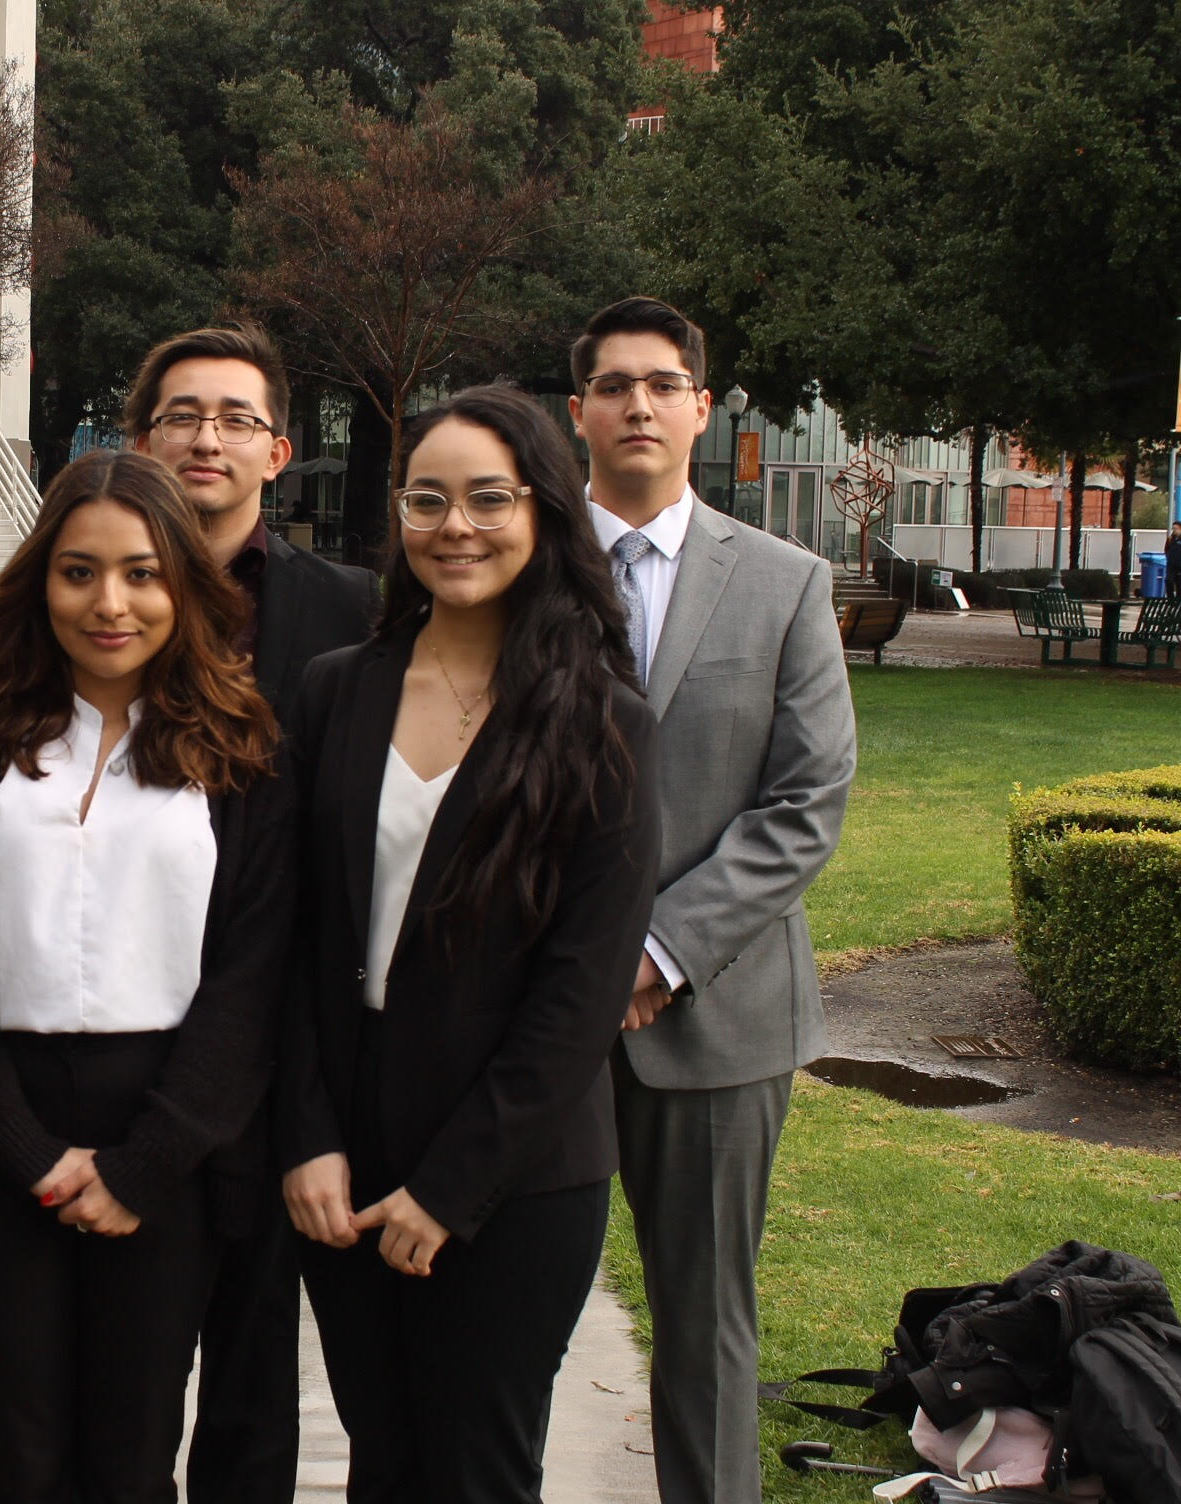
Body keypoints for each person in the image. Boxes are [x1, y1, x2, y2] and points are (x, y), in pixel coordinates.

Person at [279, 383, 662, 1502]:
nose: (457, 526)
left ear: (544, 510)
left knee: (477, 1473)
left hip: (515, 1176)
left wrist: (449, 1189)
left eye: (489, 498)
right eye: (428, 500)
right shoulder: (337, 689)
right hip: (343, 1162)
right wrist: (306, 1137)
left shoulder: (604, 722)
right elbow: (292, 934)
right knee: (381, 1464)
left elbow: (582, 994)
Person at [0, 449, 295, 1504]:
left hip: (168, 1141)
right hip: (0, 1138)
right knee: (22, 1459)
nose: (109, 602)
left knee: (130, 1461)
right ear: (39, 581)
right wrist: (26, 1151)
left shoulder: (243, 750)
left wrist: (147, 1161)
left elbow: (251, 981)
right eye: (78, 571)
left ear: (185, 585)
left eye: (142, 572)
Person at [569, 297, 856, 1504]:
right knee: (501, 1318)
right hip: (543, 1018)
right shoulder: (516, 568)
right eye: (615, 382)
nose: (640, 403)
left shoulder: (786, 581)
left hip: (723, 1015)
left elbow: (807, 798)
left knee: (708, 1324)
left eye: (664, 382)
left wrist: (661, 949)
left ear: (700, 406)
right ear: (576, 407)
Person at [121, 323, 376, 1504]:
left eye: (234, 418)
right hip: (123, 1035)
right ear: (141, 440)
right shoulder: (88, 597)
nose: (206, 437)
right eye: (182, 414)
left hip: (293, 1043)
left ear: (278, 450)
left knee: (255, 1383)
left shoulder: (358, 613)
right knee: (119, 1391)